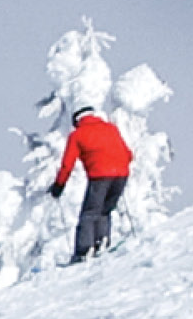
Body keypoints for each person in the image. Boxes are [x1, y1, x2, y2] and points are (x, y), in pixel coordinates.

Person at [49, 101, 134, 262]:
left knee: (89, 213)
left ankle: (83, 250)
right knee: (105, 210)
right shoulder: (111, 128)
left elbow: (67, 164)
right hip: (122, 174)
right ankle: (102, 241)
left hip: (100, 176)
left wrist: (59, 186)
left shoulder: (77, 135)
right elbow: (129, 154)